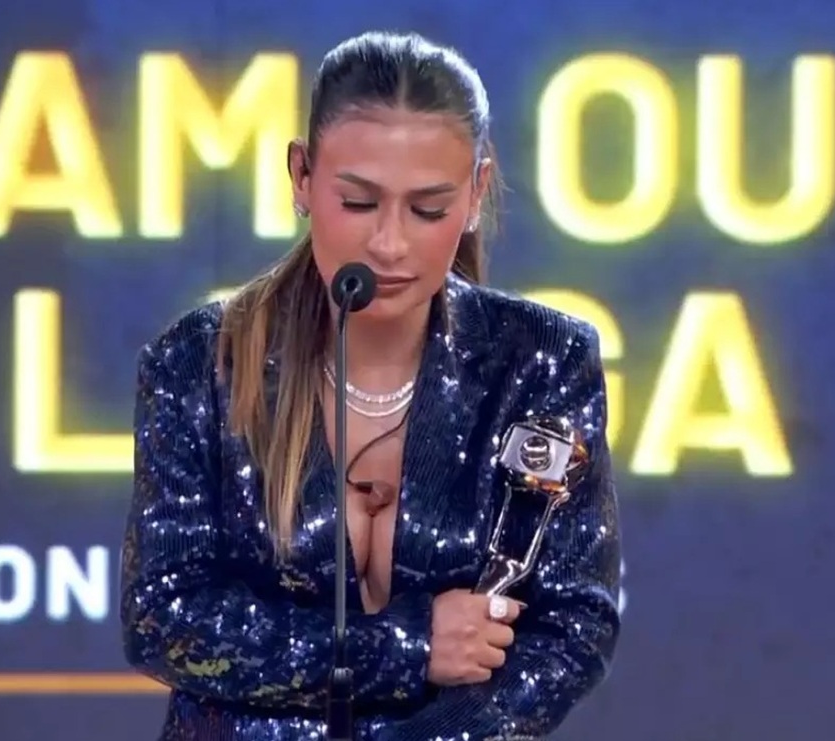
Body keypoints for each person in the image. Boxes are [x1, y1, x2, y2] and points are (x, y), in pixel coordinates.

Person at [120, 29, 622, 741]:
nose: (389, 243)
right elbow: (163, 618)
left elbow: (573, 624)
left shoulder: (542, 360)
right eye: (358, 202)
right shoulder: (201, 361)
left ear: (476, 192)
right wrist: (407, 645)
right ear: (301, 176)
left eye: (428, 209)